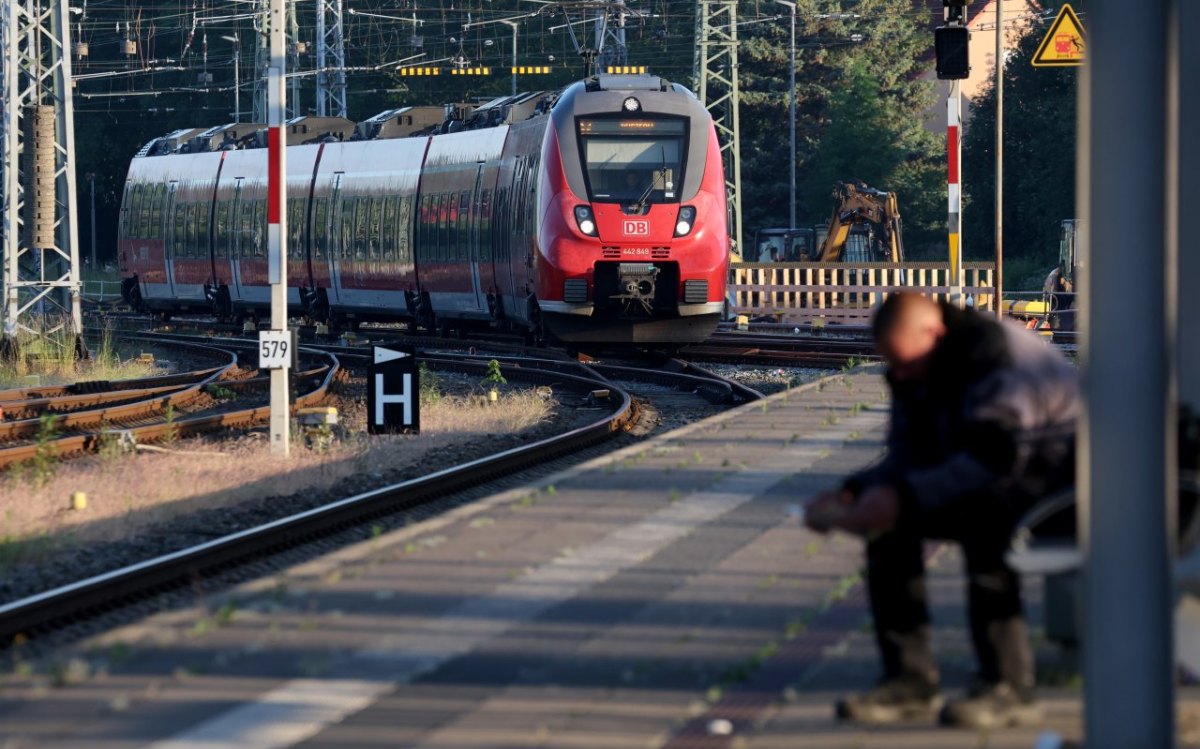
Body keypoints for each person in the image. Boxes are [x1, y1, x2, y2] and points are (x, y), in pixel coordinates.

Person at [805, 292, 1078, 729]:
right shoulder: (917, 364)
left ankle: (1010, 687)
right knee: (889, 529)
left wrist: (903, 497)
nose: (902, 376)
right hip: (1008, 479)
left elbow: (996, 458)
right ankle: (909, 683)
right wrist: (853, 494)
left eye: (908, 364)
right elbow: (906, 455)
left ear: (935, 334)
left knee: (983, 519)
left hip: (1065, 490)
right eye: (894, 365)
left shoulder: (994, 353)